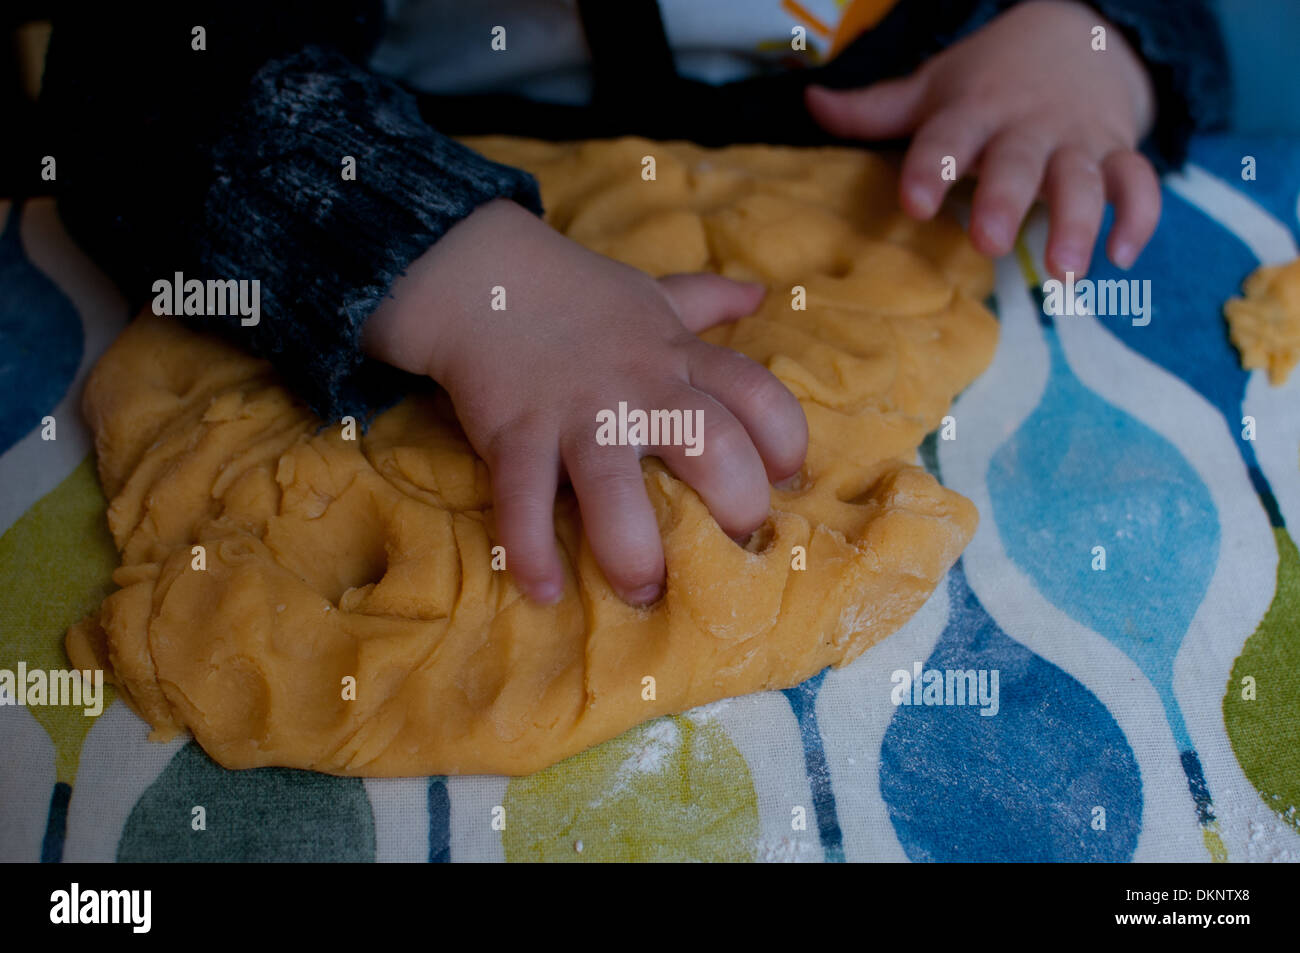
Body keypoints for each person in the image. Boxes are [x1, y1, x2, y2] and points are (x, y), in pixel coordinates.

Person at [39, 0, 1229, 606]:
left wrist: (1084, 41)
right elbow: (136, 88)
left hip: (893, 149)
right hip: (420, 152)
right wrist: (457, 272)